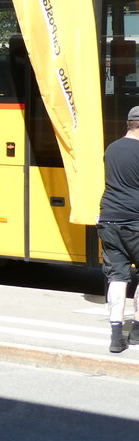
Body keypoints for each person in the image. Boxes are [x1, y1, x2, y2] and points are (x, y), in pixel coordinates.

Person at [97, 104, 139, 353]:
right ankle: (135, 332)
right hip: (136, 220)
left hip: (110, 218)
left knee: (117, 277)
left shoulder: (111, 148)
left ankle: (115, 336)